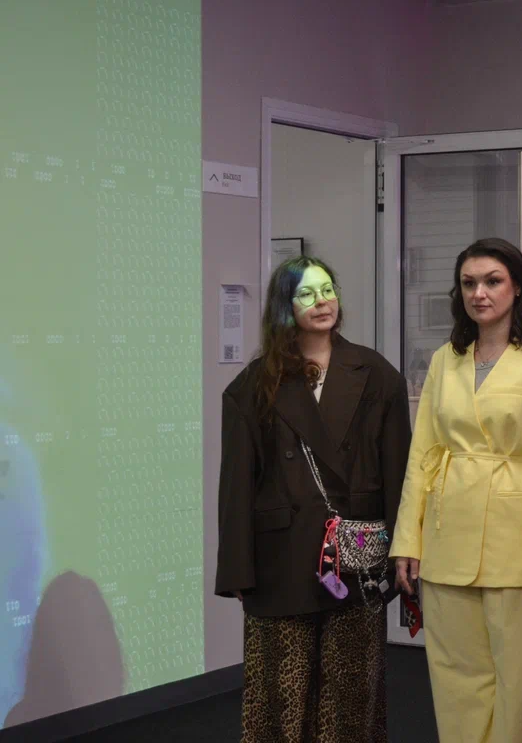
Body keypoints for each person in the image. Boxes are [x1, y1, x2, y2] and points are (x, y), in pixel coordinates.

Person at [215, 256, 411, 742]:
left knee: (351, 699)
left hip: (356, 556)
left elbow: (399, 472)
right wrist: (236, 569)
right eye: (306, 293)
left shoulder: (377, 375)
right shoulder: (252, 386)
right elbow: (236, 484)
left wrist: (403, 551)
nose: (322, 302)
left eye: (327, 290)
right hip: (280, 558)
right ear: (284, 306)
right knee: (279, 700)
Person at [390, 238, 522, 743]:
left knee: (521, 682)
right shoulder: (445, 359)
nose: (480, 293)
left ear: (517, 287)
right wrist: (408, 540)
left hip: (518, 546)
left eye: (493, 281)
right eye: (469, 283)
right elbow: (423, 454)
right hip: (447, 538)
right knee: (456, 680)